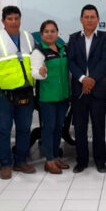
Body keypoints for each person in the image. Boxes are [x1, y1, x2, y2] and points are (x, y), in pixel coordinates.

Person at [0, 5, 36, 179]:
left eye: (16, 18)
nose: (14, 22)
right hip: (3, 94)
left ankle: (21, 161)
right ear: (3, 21)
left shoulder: (28, 37)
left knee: (24, 129)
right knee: (3, 130)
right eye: (10, 19)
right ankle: (5, 164)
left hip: (25, 91)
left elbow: (38, 56)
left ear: (20, 19)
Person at [67, 4, 106, 173]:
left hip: (98, 89)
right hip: (79, 90)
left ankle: (100, 160)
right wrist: (83, 79)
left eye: (92, 17)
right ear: (81, 19)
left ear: (98, 20)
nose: (89, 20)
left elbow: (105, 60)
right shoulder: (73, 38)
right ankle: (81, 161)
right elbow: (70, 61)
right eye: (86, 17)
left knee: (98, 126)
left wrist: (91, 79)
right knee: (80, 127)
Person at [31, 20, 70, 174]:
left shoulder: (62, 49)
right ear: (41, 34)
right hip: (47, 97)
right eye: (46, 31)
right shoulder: (38, 52)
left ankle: (55, 157)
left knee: (59, 127)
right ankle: (49, 160)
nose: (49, 34)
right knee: (49, 128)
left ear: (57, 33)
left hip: (63, 96)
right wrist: (40, 73)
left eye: (52, 31)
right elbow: (34, 72)